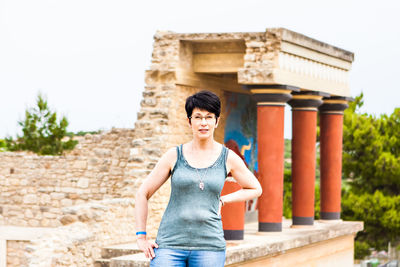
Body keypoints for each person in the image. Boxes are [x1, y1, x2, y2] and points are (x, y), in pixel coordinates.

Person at [135, 90, 262, 267]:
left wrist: (223, 200)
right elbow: (143, 193)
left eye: (209, 117)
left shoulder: (228, 157)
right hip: (170, 244)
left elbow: (255, 188)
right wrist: (141, 237)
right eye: (198, 117)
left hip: (209, 246)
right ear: (189, 121)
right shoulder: (174, 155)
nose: (204, 123)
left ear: (217, 121)